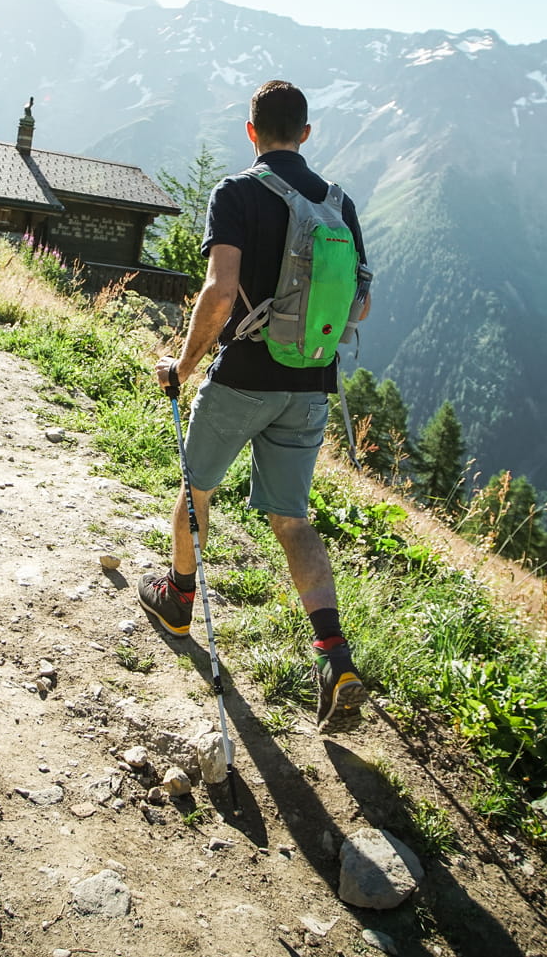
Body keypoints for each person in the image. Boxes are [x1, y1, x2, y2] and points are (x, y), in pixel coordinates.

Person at [141, 80, 374, 725]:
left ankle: (180, 601)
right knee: (293, 519)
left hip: (243, 375)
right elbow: (360, 303)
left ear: (251, 131)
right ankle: (335, 657)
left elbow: (220, 294)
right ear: (306, 133)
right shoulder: (340, 204)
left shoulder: (236, 193)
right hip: (311, 386)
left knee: (197, 488)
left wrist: (182, 367)